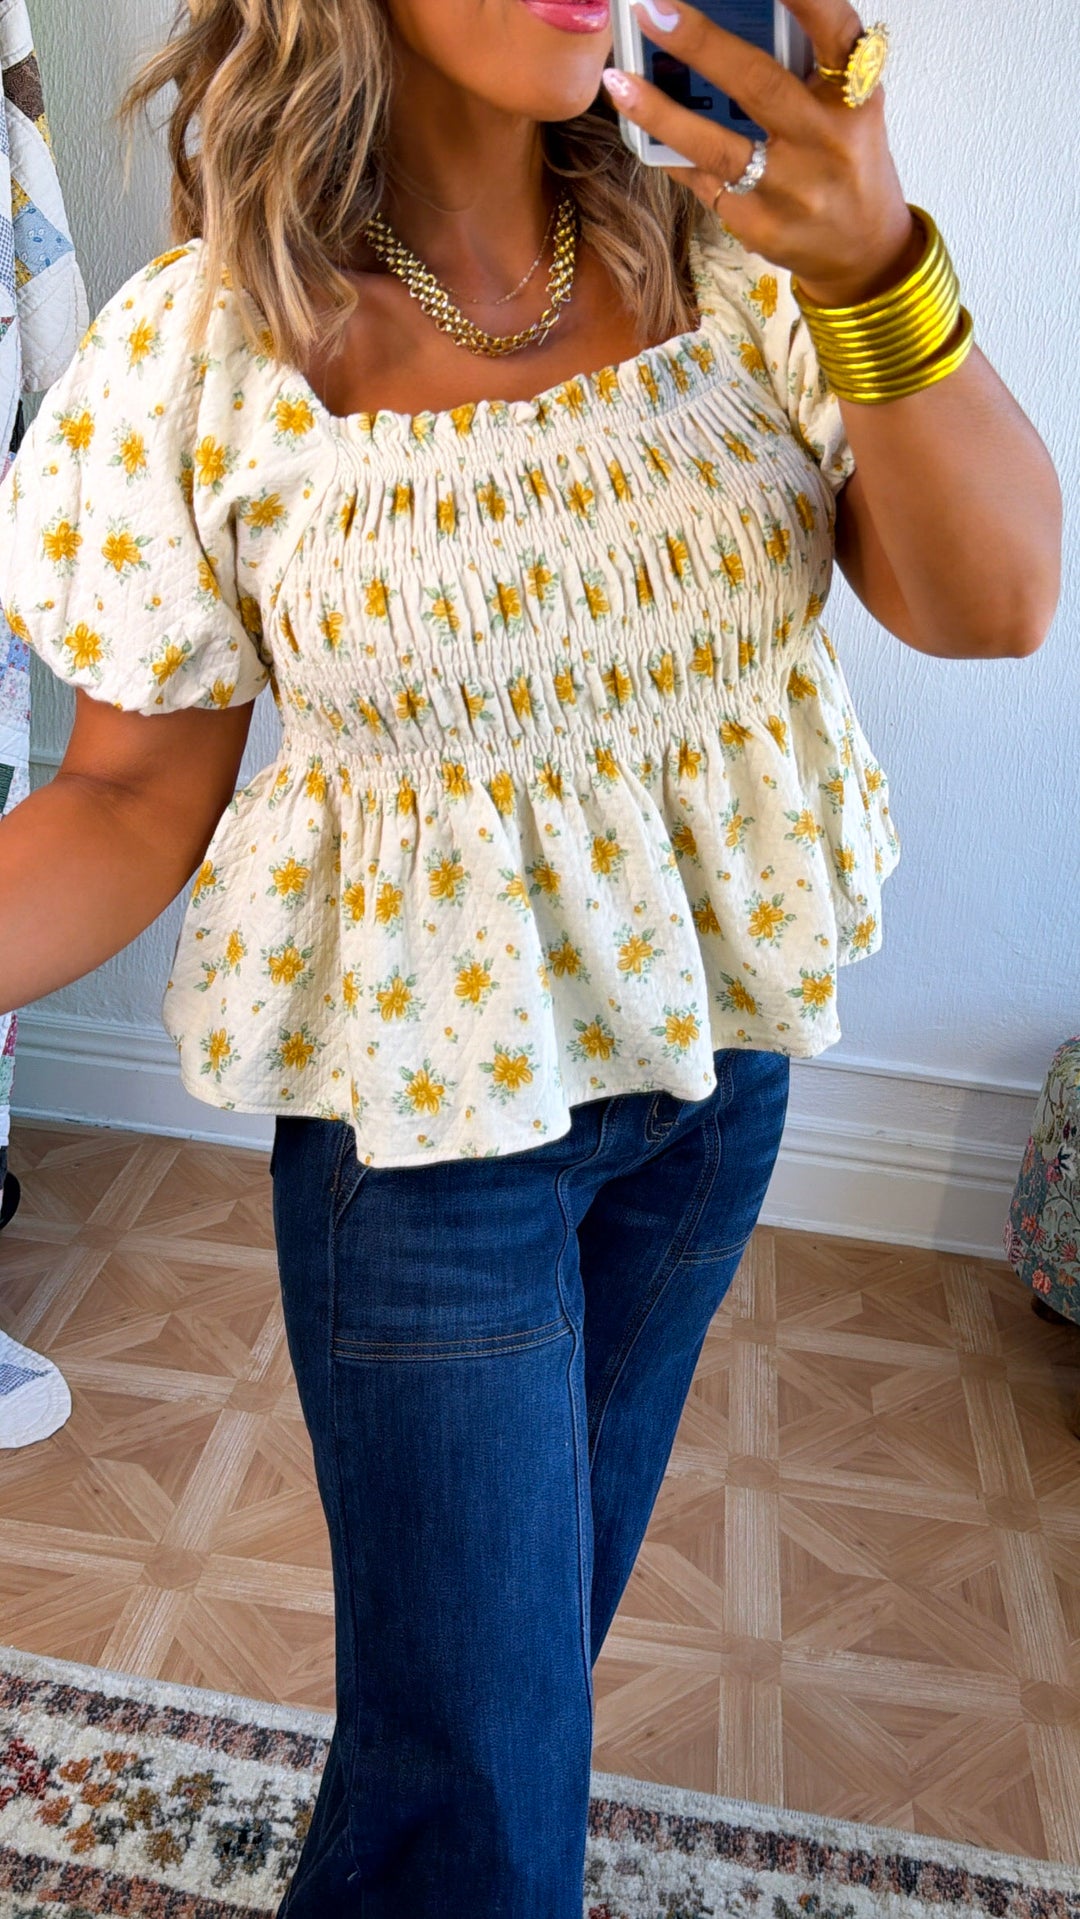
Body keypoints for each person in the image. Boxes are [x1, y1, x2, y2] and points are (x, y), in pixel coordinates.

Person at [0, 0, 1061, 1909]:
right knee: (486, 1772)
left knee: (497, 1683)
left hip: (713, 1095)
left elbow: (990, 604)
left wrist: (883, 269)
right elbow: (125, 800)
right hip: (433, 1160)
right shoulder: (202, 358)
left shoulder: (748, 262)